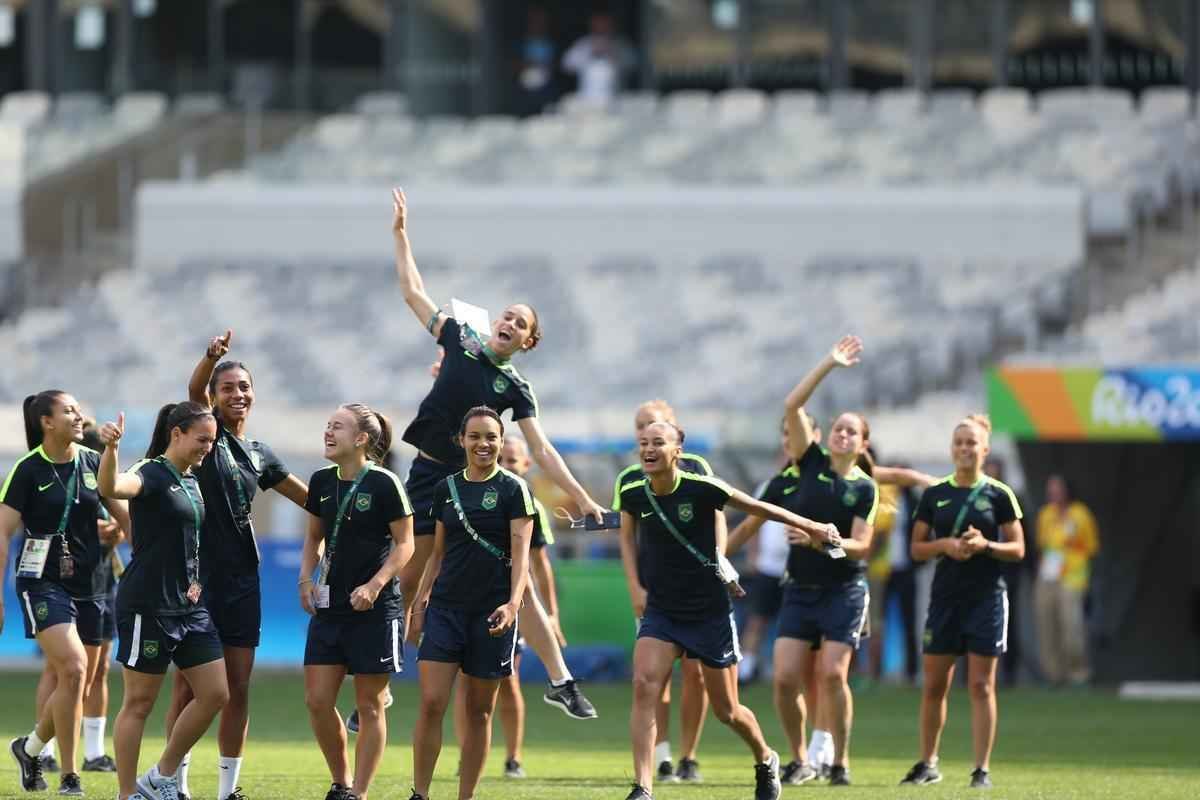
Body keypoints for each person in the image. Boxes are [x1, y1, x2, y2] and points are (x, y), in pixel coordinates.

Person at [391, 187, 601, 720]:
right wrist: (401, 234)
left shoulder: (516, 389)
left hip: (477, 489)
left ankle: (560, 680)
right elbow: (413, 291)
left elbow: (541, 448)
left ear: (528, 341)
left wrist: (578, 496)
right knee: (407, 582)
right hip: (427, 476)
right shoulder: (458, 336)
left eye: (521, 323)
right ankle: (380, 678)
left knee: (515, 581)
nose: (509, 322)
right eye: (507, 314)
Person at [618, 419, 844, 800]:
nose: (649, 449)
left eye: (658, 442)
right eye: (643, 443)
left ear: (678, 452)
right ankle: (643, 787)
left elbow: (759, 507)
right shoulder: (632, 491)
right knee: (644, 686)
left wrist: (815, 527)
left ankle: (765, 756)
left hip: (708, 612)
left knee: (727, 710)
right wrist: (635, 586)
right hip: (662, 611)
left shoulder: (703, 488)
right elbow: (626, 537)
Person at [161, 332, 309, 800]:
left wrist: (361, 503)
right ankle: (175, 785)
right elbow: (193, 392)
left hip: (244, 582)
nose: (237, 394)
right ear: (215, 397)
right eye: (227, 388)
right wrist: (210, 359)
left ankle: (228, 791)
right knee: (187, 688)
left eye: (244, 386)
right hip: (196, 582)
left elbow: (309, 498)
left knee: (238, 688)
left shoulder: (261, 453)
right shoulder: (209, 436)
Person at [728, 337, 879, 787]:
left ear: (863, 443)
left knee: (832, 675)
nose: (843, 434)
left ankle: (840, 761)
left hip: (844, 590)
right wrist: (828, 364)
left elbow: (861, 546)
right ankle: (798, 758)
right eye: (838, 428)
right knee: (784, 678)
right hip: (800, 589)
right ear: (824, 435)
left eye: (852, 431)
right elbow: (793, 404)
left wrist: (824, 540)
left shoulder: (865, 489)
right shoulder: (807, 463)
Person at [97, 402, 231, 800]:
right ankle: (127, 794)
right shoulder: (150, 472)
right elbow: (112, 488)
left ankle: (160, 777)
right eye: (201, 439)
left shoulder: (192, 479)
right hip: (148, 606)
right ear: (177, 434)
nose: (207, 447)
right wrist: (111, 449)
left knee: (216, 694)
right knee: (139, 703)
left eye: (212, 441)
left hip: (190, 607)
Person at [3, 391, 131, 797]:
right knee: (73, 669)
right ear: (47, 421)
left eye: (78, 410)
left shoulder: (94, 462)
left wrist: (120, 531)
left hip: (91, 582)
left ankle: (30, 747)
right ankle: (70, 775)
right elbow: (2, 534)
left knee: (84, 681)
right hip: (41, 581)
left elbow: (126, 518)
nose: (79, 416)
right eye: (69, 411)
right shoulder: (25, 470)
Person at [406, 407, 536, 800]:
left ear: (501, 440)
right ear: (460, 440)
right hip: (446, 610)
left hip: (493, 615)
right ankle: (421, 793)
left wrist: (513, 605)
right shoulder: (446, 488)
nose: (484, 444)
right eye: (475, 436)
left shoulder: (515, 490)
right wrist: (420, 601)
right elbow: (438, 553)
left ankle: (466, 796)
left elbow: (522, 554)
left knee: (480, 711)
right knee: (431, 703)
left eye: (491, 436)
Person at [899, 414, 1025, 790]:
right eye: (959, 442)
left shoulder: (999, 494)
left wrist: (985, 545)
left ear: (984, 450)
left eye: (972, 443)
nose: (965, 448)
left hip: (986, 598)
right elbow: (917, 549)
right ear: (951, 449)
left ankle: (981, 769)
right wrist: (946, 546)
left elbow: (1018, 548)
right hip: (945, 600)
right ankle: (928, 763)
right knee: (934, 685)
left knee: (981, 686)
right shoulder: (935, 494)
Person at [299, 403, 414, 800]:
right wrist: (304, 579)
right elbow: (314, 537)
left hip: (375, 611)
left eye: (338, 427)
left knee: (369, 706)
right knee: (317, 701)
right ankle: (341, 781)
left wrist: (376, 584)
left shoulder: (385, 483)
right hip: (330, 608)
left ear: (362, 439)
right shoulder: (320, 481)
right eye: (327, 425)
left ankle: (359, 793)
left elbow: (406, 544)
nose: (328, 433)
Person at [612, 399, 711, 783]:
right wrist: (635, 586)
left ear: (674, 433)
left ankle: (690, 755)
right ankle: (662, 754)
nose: (645, 433)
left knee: (698, 676)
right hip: (656, 594)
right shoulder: (629, 480)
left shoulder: (698, 469)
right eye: (640, 426)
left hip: (698, 595)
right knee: (653, 677)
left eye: (654, 426)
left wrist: (717, 568)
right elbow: (625, 539)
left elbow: (717, 519)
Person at [452, 435, 562, 778]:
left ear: (526, 465)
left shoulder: (528, 503)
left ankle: (513, 757)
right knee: (464, 681)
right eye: (506, 458)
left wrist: (551, 613)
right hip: (467, 601)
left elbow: (540, 563)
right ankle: (466, 753)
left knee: (507, 679)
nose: (509, 465)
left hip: (509, 604)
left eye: (515, 460)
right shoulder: (463, 495)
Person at [26, 418, 127, 779]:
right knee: (62, 668)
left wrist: (116, 531)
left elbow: (116, 520)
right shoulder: (58, 476)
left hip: (103, 578)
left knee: (98, 669)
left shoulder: (103, 478)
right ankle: (46, 751)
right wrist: (105, 530)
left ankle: (95, 751)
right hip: (64, 581)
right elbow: (78, 525)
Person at [1034, 474, 1098, 686]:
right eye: (1050, 489)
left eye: (1057, 489)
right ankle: (1054, 676)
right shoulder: (1045, 514)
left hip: (1072, 577)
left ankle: (1078, 674)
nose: (1053, 493)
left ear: (1067, 490)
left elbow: (1092, 547)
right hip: (1048, 576)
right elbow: (1042, 545)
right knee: (1047, 626)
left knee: (1072, 628)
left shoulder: (1081, 514)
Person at [562, 11, 635, 110]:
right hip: (587, 101)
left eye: (605, 25)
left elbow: (633, 65)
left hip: (615, 100)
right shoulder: (583, 44)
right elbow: (566, 65)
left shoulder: (621, 44)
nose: (601, 28)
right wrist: (590, 54)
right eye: (598, 25)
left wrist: (613, 54)